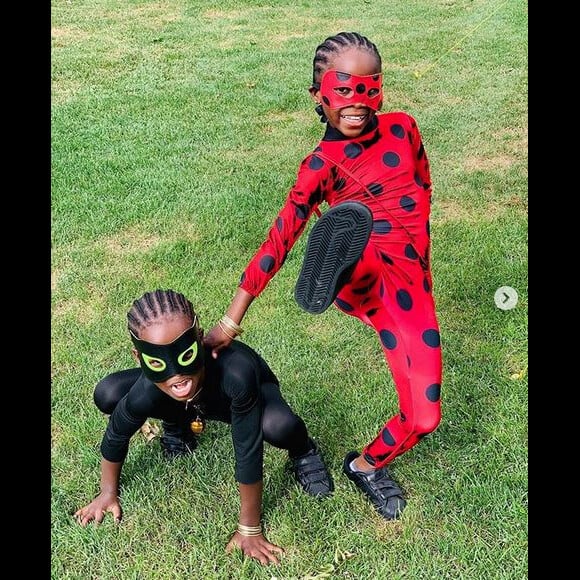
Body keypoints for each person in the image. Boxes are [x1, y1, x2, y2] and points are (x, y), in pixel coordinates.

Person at [204, 31, 442, 521]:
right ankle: (340, 259)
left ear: (380, 87)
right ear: (319, 95)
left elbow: (422, 180)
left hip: (410, 286)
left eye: (368, 87)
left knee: (425, 416)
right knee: (362, 241)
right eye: (344, 89)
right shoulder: (319, 166)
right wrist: (231, 320)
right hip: (369, 281)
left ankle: (365, 465)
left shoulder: (404, 128)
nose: (357, 101)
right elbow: (278, 239)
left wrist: (419, 237)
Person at [74, 289, 333, 566]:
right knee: (109, 393)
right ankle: (178, 423)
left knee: (280, 425)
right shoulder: (154, 386)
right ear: (138, 358)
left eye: (184, 355)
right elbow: (117, 431)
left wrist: (249, 528)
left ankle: (304, 451)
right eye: (159, 363)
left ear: (199, 339)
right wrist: (107, 493)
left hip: (237, 400)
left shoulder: (237, 372)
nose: (177, 374)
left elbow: (247, 450)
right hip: (186, 400)